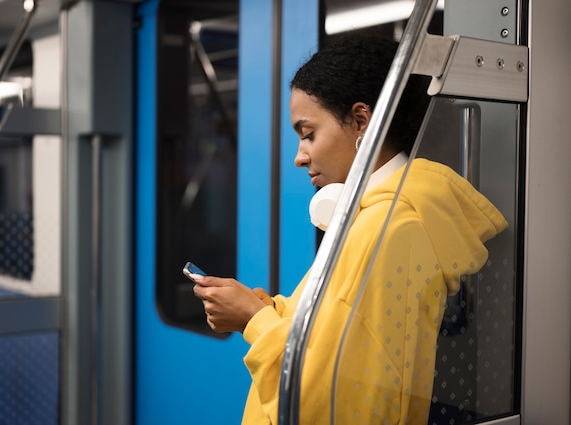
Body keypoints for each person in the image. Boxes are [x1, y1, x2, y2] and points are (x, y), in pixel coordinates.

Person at [191, 33, 508, 424]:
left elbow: (328, 401)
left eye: (308, 134)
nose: (299, 156)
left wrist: (252, 322)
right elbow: (343, 338)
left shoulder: (385, 230)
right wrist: (270, 310)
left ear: (361, 121)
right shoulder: (387, 217)